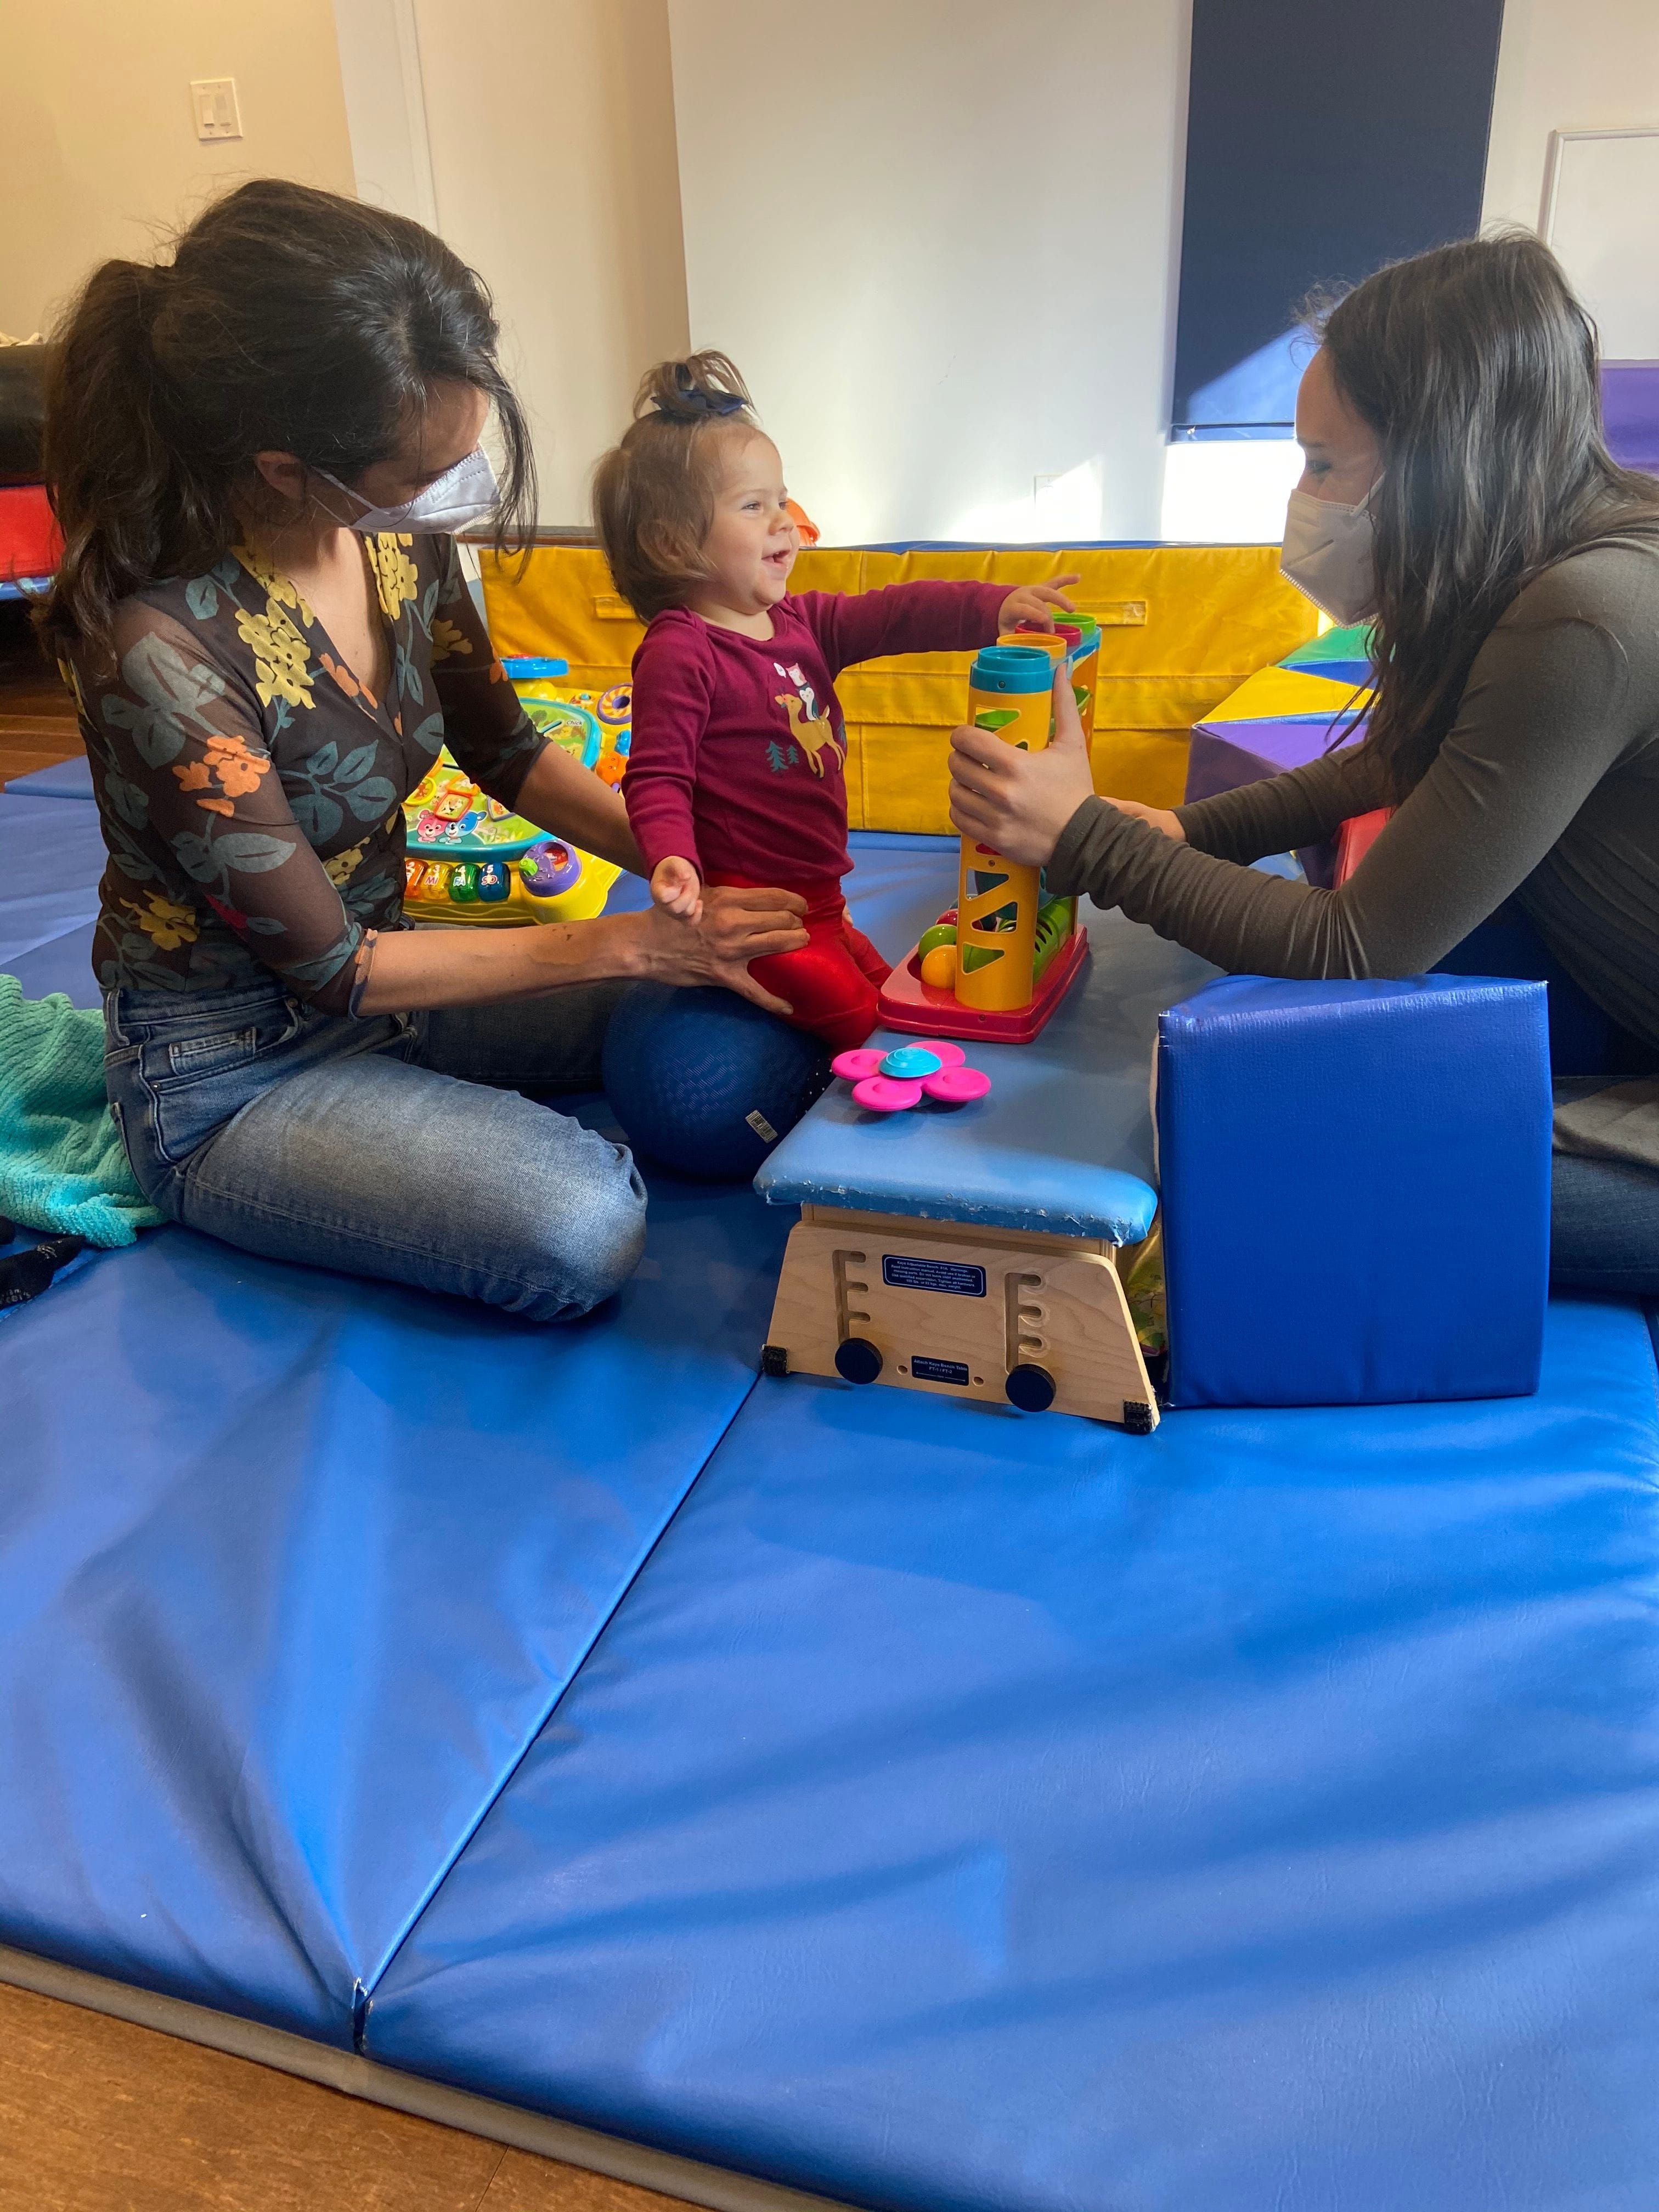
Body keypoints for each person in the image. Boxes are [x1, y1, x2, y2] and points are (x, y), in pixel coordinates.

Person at [37, 180, 811, 1322]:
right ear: (285, 467)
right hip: (237, 1069)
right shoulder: (164, 648)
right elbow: (332, 967)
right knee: (582, 1224)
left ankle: (420, 1113)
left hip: (400, 986)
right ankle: (303, 1156)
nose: (449, 489)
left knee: (759, 998)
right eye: (418, 470)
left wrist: (682, 864)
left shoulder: (393, 542)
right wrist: (631, 948)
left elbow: (505, 749)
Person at [948, 233, 1659, 1298]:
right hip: (1621, 986)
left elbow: (1354, 947)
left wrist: (1086, 839)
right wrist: (1193, 831)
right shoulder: (1560, 545)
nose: (1306, 496)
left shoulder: (1582, 618)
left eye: (1326, 465)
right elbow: (1412, 759)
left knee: (1305, 1165)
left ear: (1442, 458)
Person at [592, 352, 1077, 1051]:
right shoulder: (682, 650)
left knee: (901, 997)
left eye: (782, 499)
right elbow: (659, 774)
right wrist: (672, 857)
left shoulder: (802, 623)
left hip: (825, 902)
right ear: (674, 542)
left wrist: (993, 606)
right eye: (753, 507)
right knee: (869, 1026)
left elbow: (897, 613)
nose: (784, 523)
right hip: (759, 917)